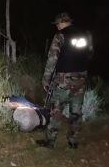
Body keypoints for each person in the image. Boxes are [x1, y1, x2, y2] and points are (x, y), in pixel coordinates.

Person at [36, 12, 93, 149]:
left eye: (57, 24)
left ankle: (50, 141)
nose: (56, 27)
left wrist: (45, 80)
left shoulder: (60, 36)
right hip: (81, 78)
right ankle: (73, 141)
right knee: (76, 111)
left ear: (61, 22)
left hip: (64, 79)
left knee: (56, 110)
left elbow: (52, 60)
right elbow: (90, 54)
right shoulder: (85, 35)